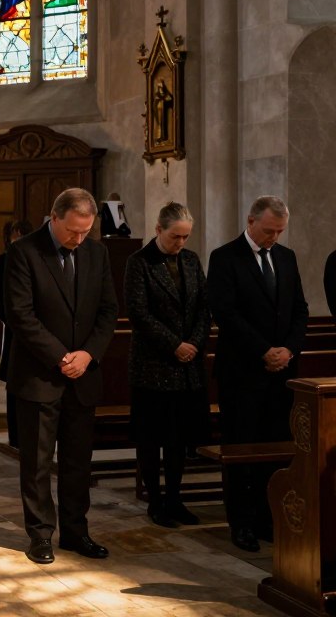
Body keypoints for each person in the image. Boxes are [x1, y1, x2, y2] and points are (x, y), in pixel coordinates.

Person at [5, 187, 117, 564]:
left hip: (83, 375)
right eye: (72, 231)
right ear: (54, 218)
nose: (79, 239)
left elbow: (107, 311)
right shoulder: (24, 252)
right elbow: (21, 315)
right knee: (36, 463)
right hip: (40, 375)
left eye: (86, 231)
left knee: (77, 462)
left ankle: (76, 531)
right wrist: (61, 357)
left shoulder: (97, 252)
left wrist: (87, 354)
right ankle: (40, 535)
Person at [207, 196, 308, 552]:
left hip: (282, 373)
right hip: (243, 372)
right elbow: (226, 313)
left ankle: (269, 519)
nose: (274, 238)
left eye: (280, 231)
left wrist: (289, 350)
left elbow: (299, 309)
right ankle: (242, 523)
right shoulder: (224, 257)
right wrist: (263, 350)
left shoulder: (286, 257)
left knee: (277, 449)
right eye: (269, 230)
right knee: (242, 450)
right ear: (251, 221)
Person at [124, 202, 211, 528]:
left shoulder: (191, 260)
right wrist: (175, 344)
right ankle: (155, 500)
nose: (181, 243)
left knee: (179, 437)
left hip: (187, 367)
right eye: (176, 236)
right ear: (159, 230)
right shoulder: (139, 262)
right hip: (153, 365)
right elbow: (138, 313)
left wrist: (194, 344)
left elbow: (204, 307)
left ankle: (175, 498)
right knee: (151, 438)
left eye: (186, 237)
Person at [0, 218, 33, 447]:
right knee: (13, 381)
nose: (19, 240)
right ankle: (15, 436)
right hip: (14, 331)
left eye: (23, 235)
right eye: (15, 236)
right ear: (9, 239)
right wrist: (17, 323)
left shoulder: (36, 260)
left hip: (34, 332)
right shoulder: (3, 261)